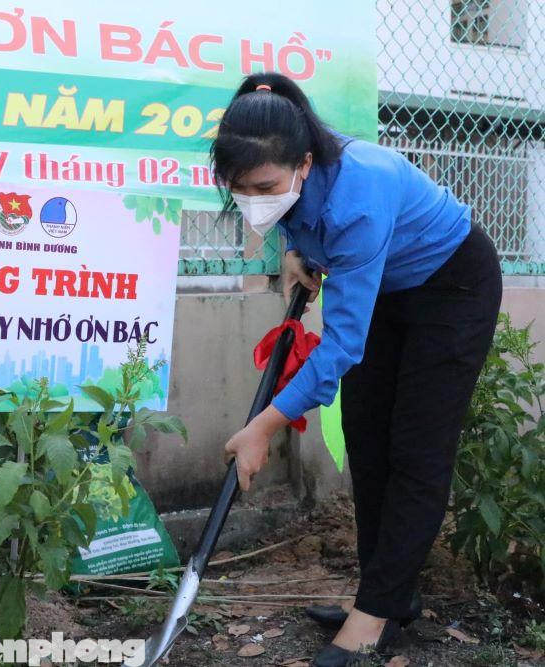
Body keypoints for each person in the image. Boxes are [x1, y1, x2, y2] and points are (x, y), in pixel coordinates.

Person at [213, 73, 503, 666]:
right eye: (239, 189)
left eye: (265, 186)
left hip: (453, 285)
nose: (253, 198)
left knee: (417, 452)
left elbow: (341, 346)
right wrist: (294, 252)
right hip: (391, 289)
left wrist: (265, 425)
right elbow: (298, 219)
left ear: (305, 163)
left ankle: (373, 616)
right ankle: (388, 599)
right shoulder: (291, 170)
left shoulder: (359, 191)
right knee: (369, 441)